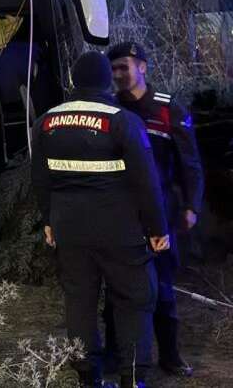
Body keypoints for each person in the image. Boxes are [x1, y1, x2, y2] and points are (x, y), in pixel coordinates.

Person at [31, 51, 169, 388]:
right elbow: (146, 181)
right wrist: (157, 229)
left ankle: (88, 378)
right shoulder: (122, 120)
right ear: (106, 79)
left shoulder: (46, 121)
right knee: (134, 302)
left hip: (70, 231)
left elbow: (40, 178)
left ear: (75, 80)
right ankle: (132, 378)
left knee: (79, 303)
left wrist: (48, 220)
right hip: (121, 232)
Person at [106, 42, 204, 378]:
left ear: (143, 67)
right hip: (119, 215)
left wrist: (192, 205)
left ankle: (171, 356)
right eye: (114, 69)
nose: (119, 74)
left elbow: (190, 163)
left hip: (162, 212)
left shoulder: (168, 110)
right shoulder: (110, 110)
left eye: (124, 66)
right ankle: (116, 356)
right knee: (116, 288)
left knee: (162, 288)